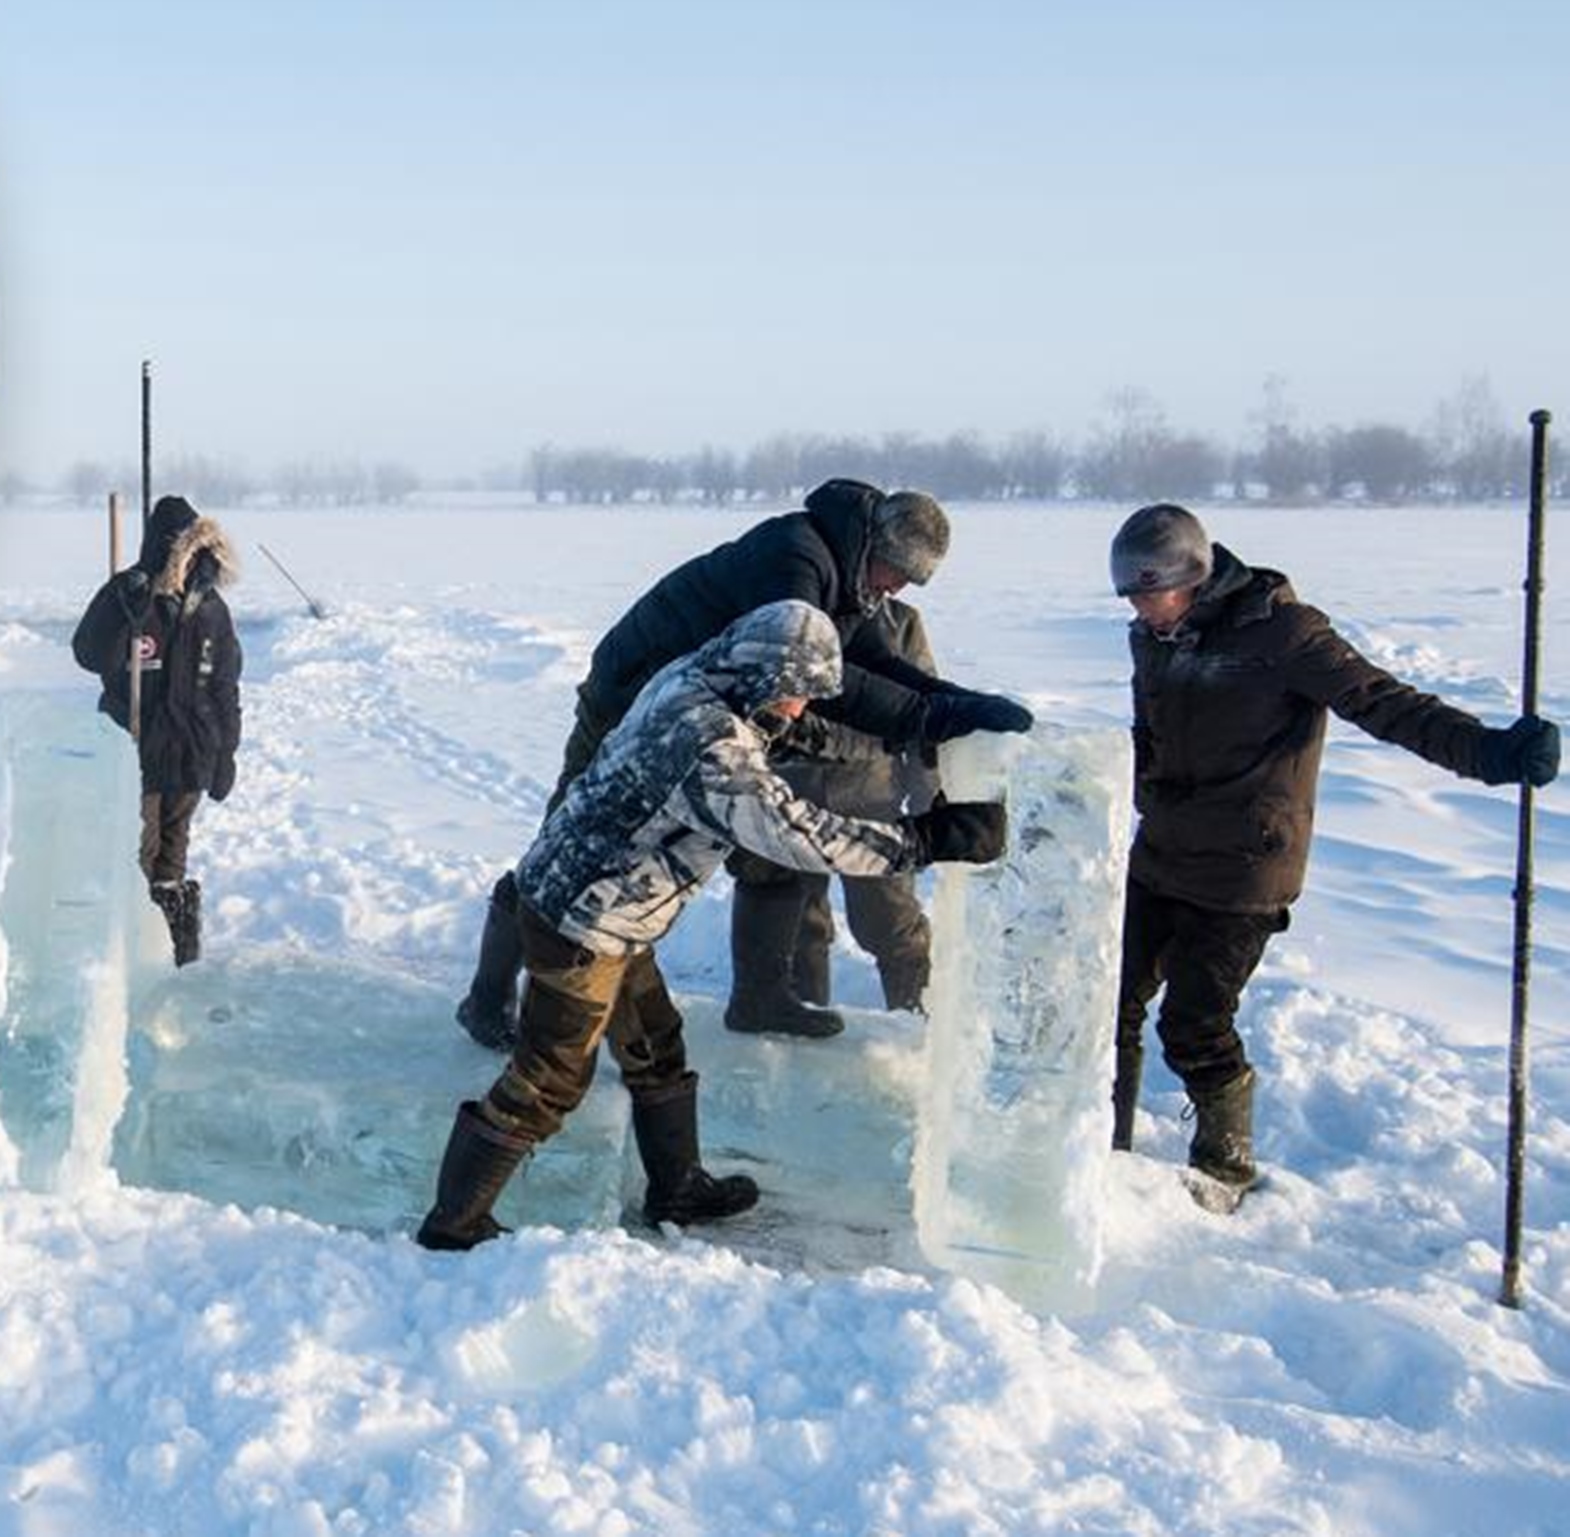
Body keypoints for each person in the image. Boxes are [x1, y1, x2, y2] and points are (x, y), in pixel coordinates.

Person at [417, 600, 1008, 1251]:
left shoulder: (701, 676)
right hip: (583, 919)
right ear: (763, 675)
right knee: (551, 1078)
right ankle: (455, 1221)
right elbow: (794, 832)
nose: (798, 710)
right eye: (794, 693)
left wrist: (912, 731)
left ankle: (678, 1187)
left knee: (655, 1043)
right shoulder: (706, 742)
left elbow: (797, 736)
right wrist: (923, 840)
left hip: (605, 906)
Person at [456, 477, 1032, 1048]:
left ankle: (761, 998)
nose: (900, 588)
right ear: (876, 549)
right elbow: (829, 680)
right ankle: (487, 997)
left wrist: (958, 704)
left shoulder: (850, 579)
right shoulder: (795, 559)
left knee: (766, 854)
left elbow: (872, 659)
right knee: (565, 849)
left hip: (717, 712)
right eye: (899, 573)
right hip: (629, 704)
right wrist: (926, 720)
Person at [1108, 502, 1560, 1197]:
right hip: (1163, 849)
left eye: (1150, 593)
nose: (1141, 611)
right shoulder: (1153, 640)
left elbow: (1385, 702)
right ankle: (1103, 1146)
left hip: (1244, 867)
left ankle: (1224, 1169)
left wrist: (1489, 753)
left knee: (1194, 1022)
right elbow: (1150, 737)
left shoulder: (1283, 632)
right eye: (1132, 598)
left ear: (1194, 577)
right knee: (1111, 997)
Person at [727, 595, 941, 1035]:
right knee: (800, 924)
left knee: (892, 924)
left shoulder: (900, 623)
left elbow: (924, 713)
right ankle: (804, 1022)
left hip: (871, 798)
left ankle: (918, 1027)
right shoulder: (788, 616)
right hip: (791, 793)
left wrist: (929, 799)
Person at [72, 494, 242, 967]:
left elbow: (225, 687)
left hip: (190, 755)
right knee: (138, 855)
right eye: (181, 551)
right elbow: (89, 655)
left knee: (173, 855)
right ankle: (128, 961)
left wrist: (226, 753)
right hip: (137, 752)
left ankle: (174, 959)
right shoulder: (131, 596)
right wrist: (120, 610)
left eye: (197, 550)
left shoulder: (212, 609)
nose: (189, 560)